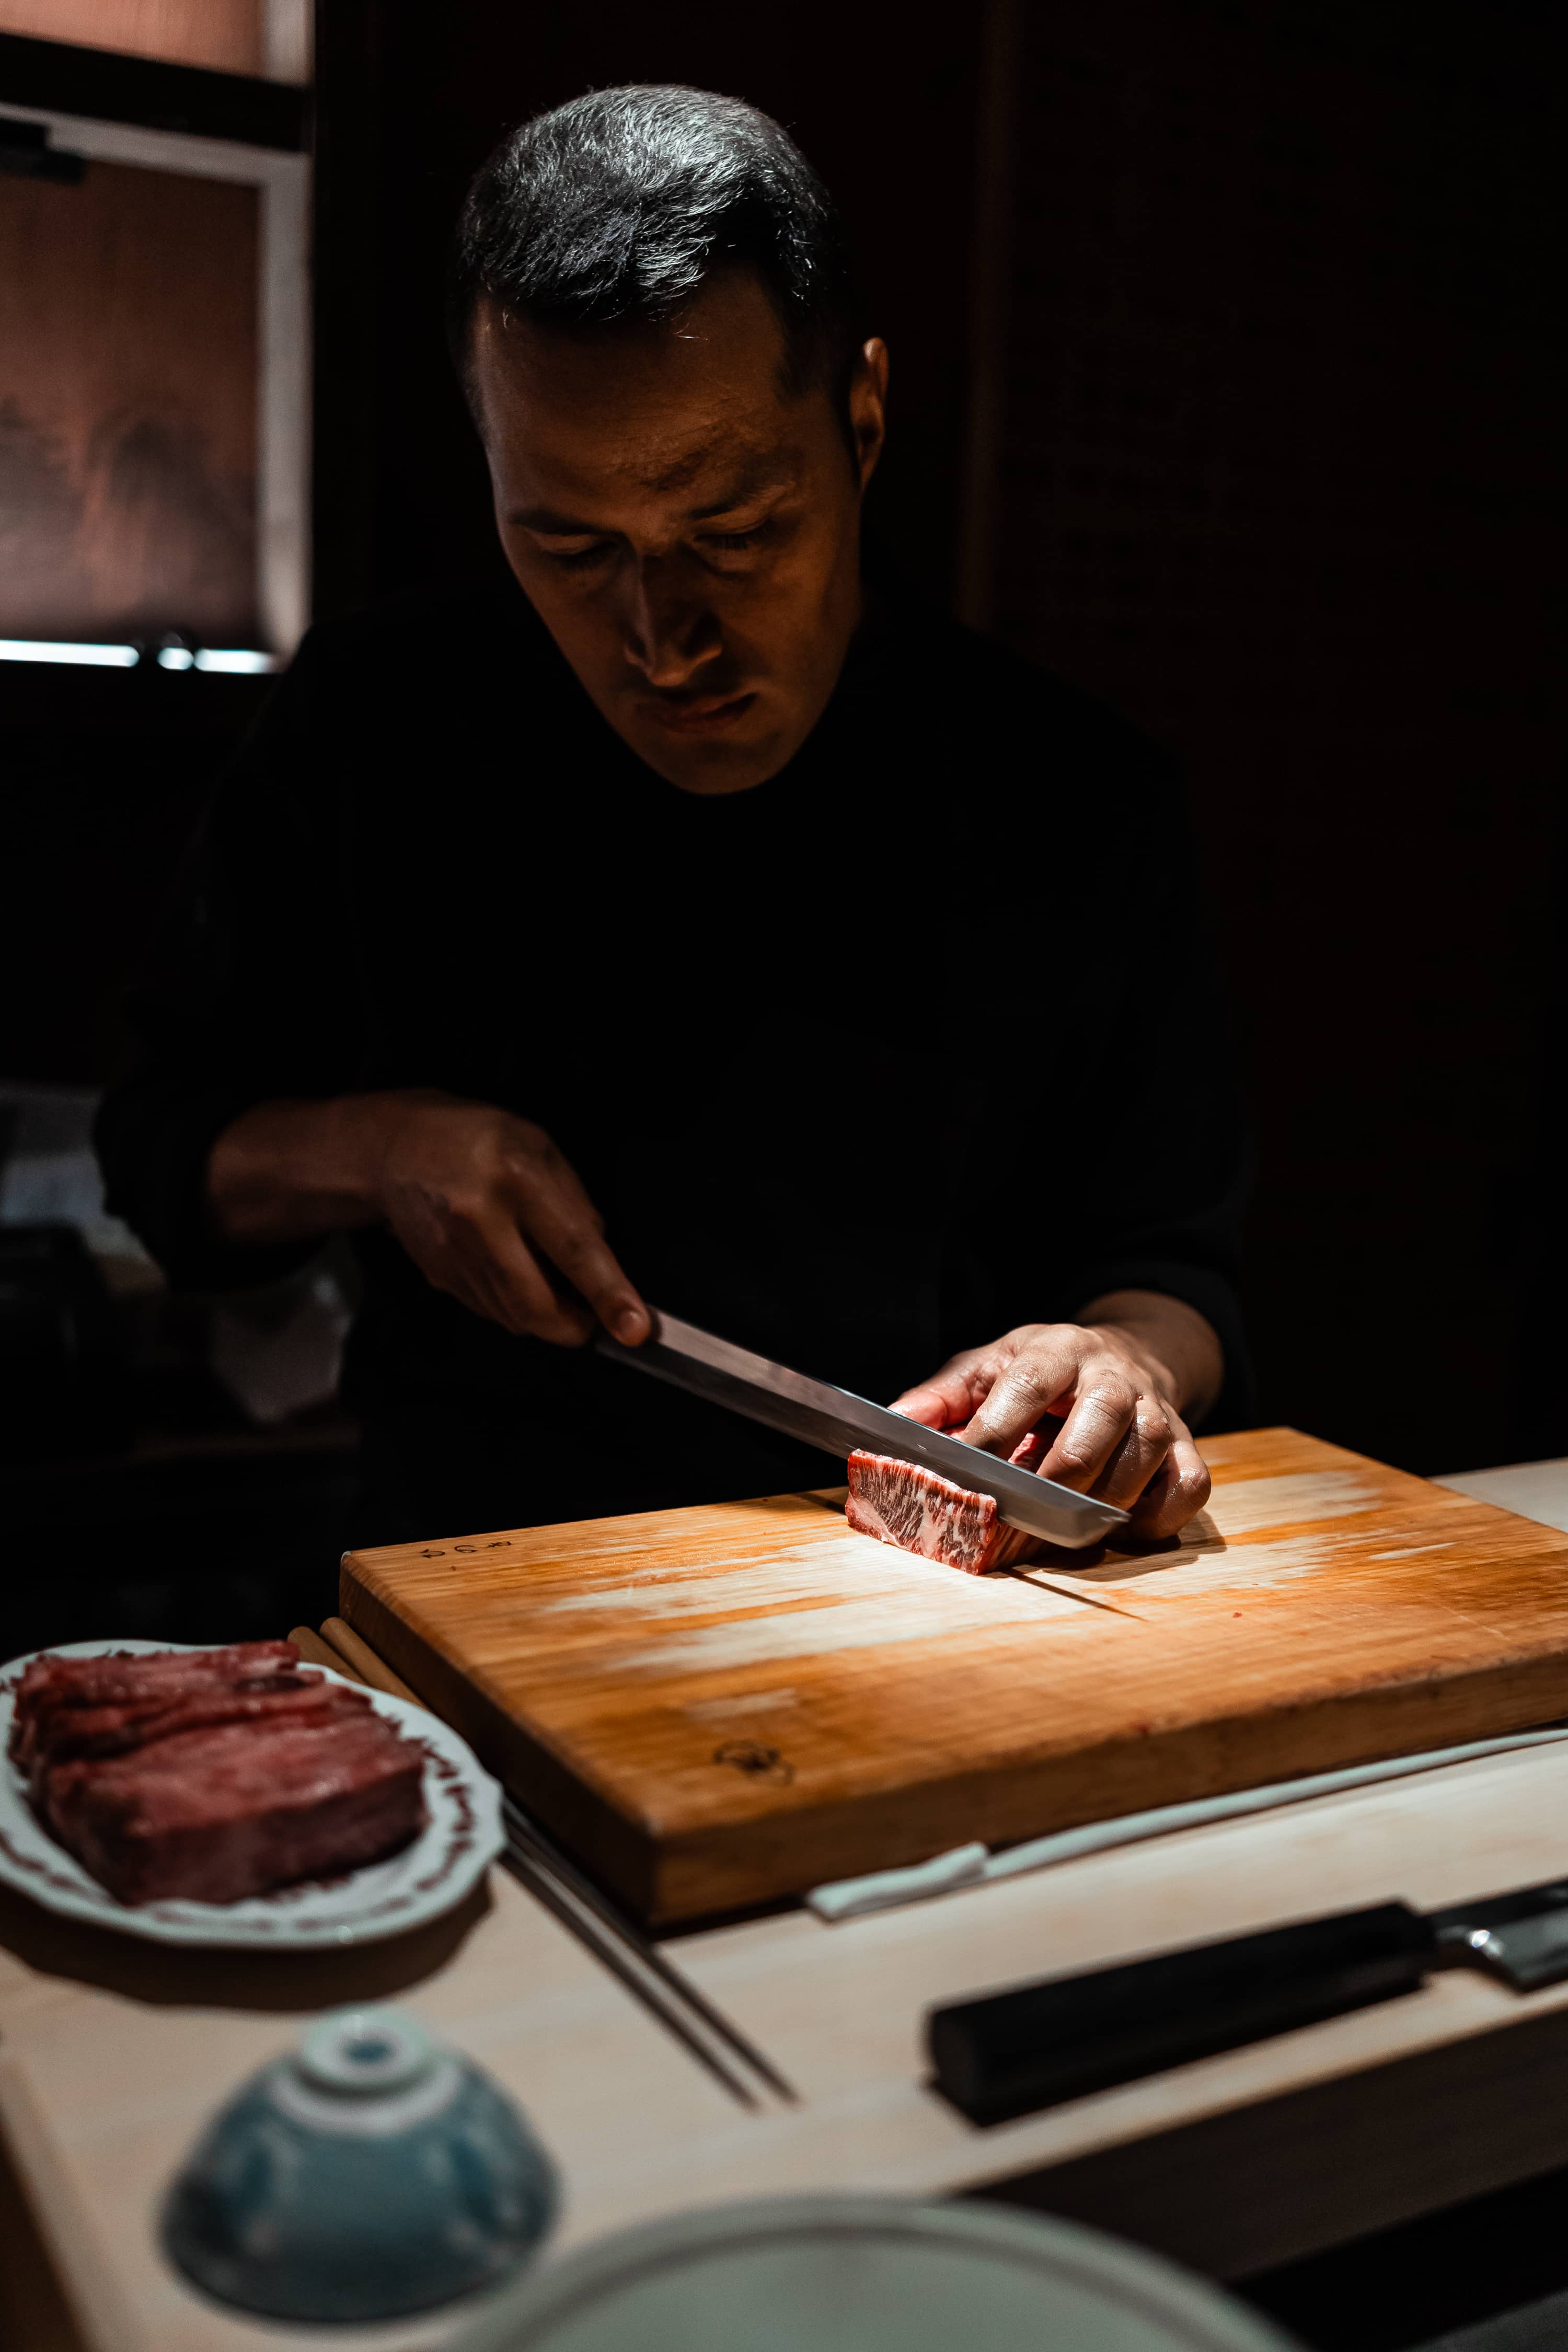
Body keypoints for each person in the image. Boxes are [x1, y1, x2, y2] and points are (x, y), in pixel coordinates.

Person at [96, 86, 1251, 1551]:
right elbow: (159, 1147)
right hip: (482, 1579)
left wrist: (1127, 1361)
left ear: (864, 420)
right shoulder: (376, 719)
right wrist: (377, 1147)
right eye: (571, 548)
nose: (661, 640)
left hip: (948, 1604)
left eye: (736, 532)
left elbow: (1175, 1272)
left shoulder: (1079, 797)